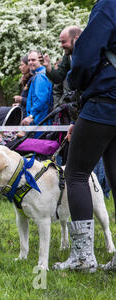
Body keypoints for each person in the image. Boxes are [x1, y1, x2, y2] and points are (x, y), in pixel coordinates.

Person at [53, 0, 116, 272]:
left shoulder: (108, 5)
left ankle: (82, 257)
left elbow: (87, 53)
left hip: (105, 99)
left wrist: (74, 82)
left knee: (76, 173)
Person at [21, 50, 53, 127]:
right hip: (38, 120)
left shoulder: (40, 76)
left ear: (41, 60)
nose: (30, 62)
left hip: (39, 121)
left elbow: (41, 100)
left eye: (33, 60)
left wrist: (31, 116)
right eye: (29, 60)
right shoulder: (38, 74)